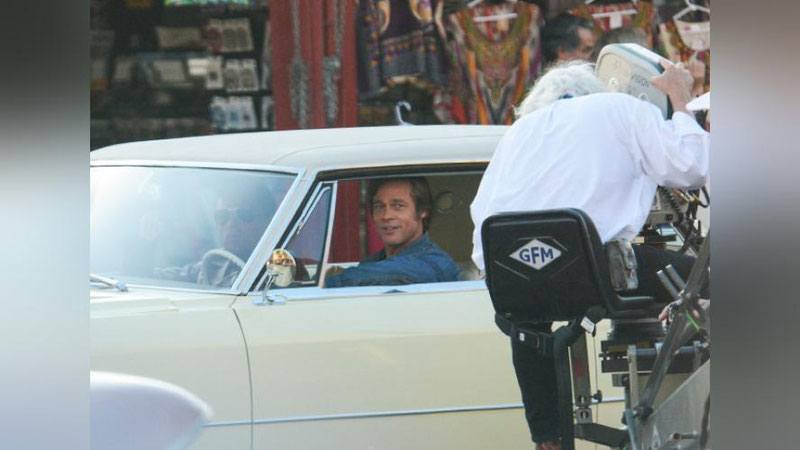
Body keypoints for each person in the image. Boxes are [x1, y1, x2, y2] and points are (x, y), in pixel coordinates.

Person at [470, 60, 709, 449]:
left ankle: (547, 437)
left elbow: (481, 219)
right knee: (715, 279)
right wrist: (681, 98)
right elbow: (692, 167)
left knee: (528, 319)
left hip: (514, 280)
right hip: (596, 272)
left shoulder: (518, 133)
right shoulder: (620, 107)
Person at [325, 177, 460, 287]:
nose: (386, 216)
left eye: (398, 206)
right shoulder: (373, 261)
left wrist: (325, 281)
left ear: (422, 211)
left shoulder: (434, 264)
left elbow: (394, 271)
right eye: (379, 206)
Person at [154, 184, 276, 287]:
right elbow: (154, 276)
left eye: (244, 214)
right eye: (222, 216)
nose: (231, 224)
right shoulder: (213, 264)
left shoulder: (280, 270)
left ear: (269, 222)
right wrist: (147, 240)